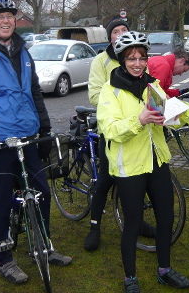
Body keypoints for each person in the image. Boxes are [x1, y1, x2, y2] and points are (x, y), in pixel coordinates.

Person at [0, 0, 72, 285]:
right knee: (1, 200)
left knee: (42, 192)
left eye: (9, 16)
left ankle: (45, 246)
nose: (6, 21)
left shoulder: (24, 52)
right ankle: (6, 259)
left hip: (29, 136)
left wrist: (44, 130)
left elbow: (34, 94)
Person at [97, 31, 189, 293]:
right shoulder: (111, 90)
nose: (137, 63)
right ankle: (130, 278)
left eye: (141, 58)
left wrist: (181, 112)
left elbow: (171, 115)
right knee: (133, 223)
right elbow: (110, 129)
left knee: (166, 218)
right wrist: (139, 121)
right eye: (131, 59)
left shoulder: (153, 86)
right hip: (130, 167)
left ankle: (164, 270)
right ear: (122, 61)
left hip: (157, 162)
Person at [83, 17, 129, 251]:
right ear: (109, 37)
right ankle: (94, 226)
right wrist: (122, 98)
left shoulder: (137, 57)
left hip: (135, 129)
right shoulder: (101, 61)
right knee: (106, 179)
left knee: (134, 181)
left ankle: (136, 222)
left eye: (124, 30)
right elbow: (94, 95)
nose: (120, 34)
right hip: (110, 130)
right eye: (115, 31)